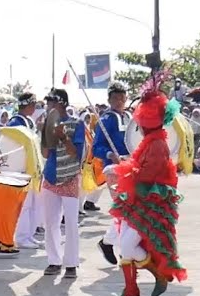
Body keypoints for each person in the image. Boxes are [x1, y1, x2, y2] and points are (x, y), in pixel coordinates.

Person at [108, 80, 187, 296]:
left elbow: (147, 174)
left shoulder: (158, 145)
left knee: (126, 245)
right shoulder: (150, 141)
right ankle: (131, 289)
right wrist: (126, 165)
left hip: (149, 204)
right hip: (137, 201)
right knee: (123, 245)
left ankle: (157, 273)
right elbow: (140, 167)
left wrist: (127, 170)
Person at [39, 89, 85, 278]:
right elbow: (45, 154)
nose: (49, 106)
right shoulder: (47, 124)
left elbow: (76, 154)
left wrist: (63, 136)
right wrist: (46, 134)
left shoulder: (77, 124)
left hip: (69, 177)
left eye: (52, 103)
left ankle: (71, 264)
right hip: (50, 177)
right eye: (48, 103)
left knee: (71, 224)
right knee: (50, 223)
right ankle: (54, 261)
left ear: (62, 103)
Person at [7, 92, 44, 249]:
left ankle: (29, 234)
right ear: (28, 105)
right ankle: (22, 237)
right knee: (25, 205)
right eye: (33, 105)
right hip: (22, 169)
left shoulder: (28, 121)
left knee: (34, 204)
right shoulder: (16, 122)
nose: (34, 108)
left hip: (32, 168)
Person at [94, 84, 131, 168]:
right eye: (115, 98)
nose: (119, 101)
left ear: (126, 99)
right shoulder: (105, 120)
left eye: (122, 98)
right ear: (109, 100)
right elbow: (96, 148)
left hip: (131, 164)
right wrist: (110, 155)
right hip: (113, 167)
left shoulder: (130, 117)